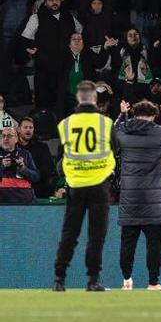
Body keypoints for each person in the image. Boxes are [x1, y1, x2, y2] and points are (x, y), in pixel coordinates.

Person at [113, 98, 161, 290]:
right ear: (153, 116)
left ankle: (126, 280)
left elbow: (112, 135)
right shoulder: (160, 132)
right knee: (154, 244)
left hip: (129, 199)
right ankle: (153, 282)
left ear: (135, 114)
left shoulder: (123, 131)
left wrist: (122, 115)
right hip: (153, 199)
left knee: (127, 243)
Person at [53, 81, 116, 292]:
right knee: (96, 235)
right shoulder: (105, 123)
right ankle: (92, 280)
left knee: (69, 233)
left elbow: (62, 157)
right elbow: (115, 149)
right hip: (99, 184)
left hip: (76, 184)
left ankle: (59, 279)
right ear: (95, 99)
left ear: (78, 98)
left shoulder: (65, 124)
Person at [0, 124, 38, 203]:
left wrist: (23, 169)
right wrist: (2, 166)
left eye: (9, 136)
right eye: (3, 136)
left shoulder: (25, 154)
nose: (5, 139)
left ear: (16, 139)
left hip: (23, 201)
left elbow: (36, 177)